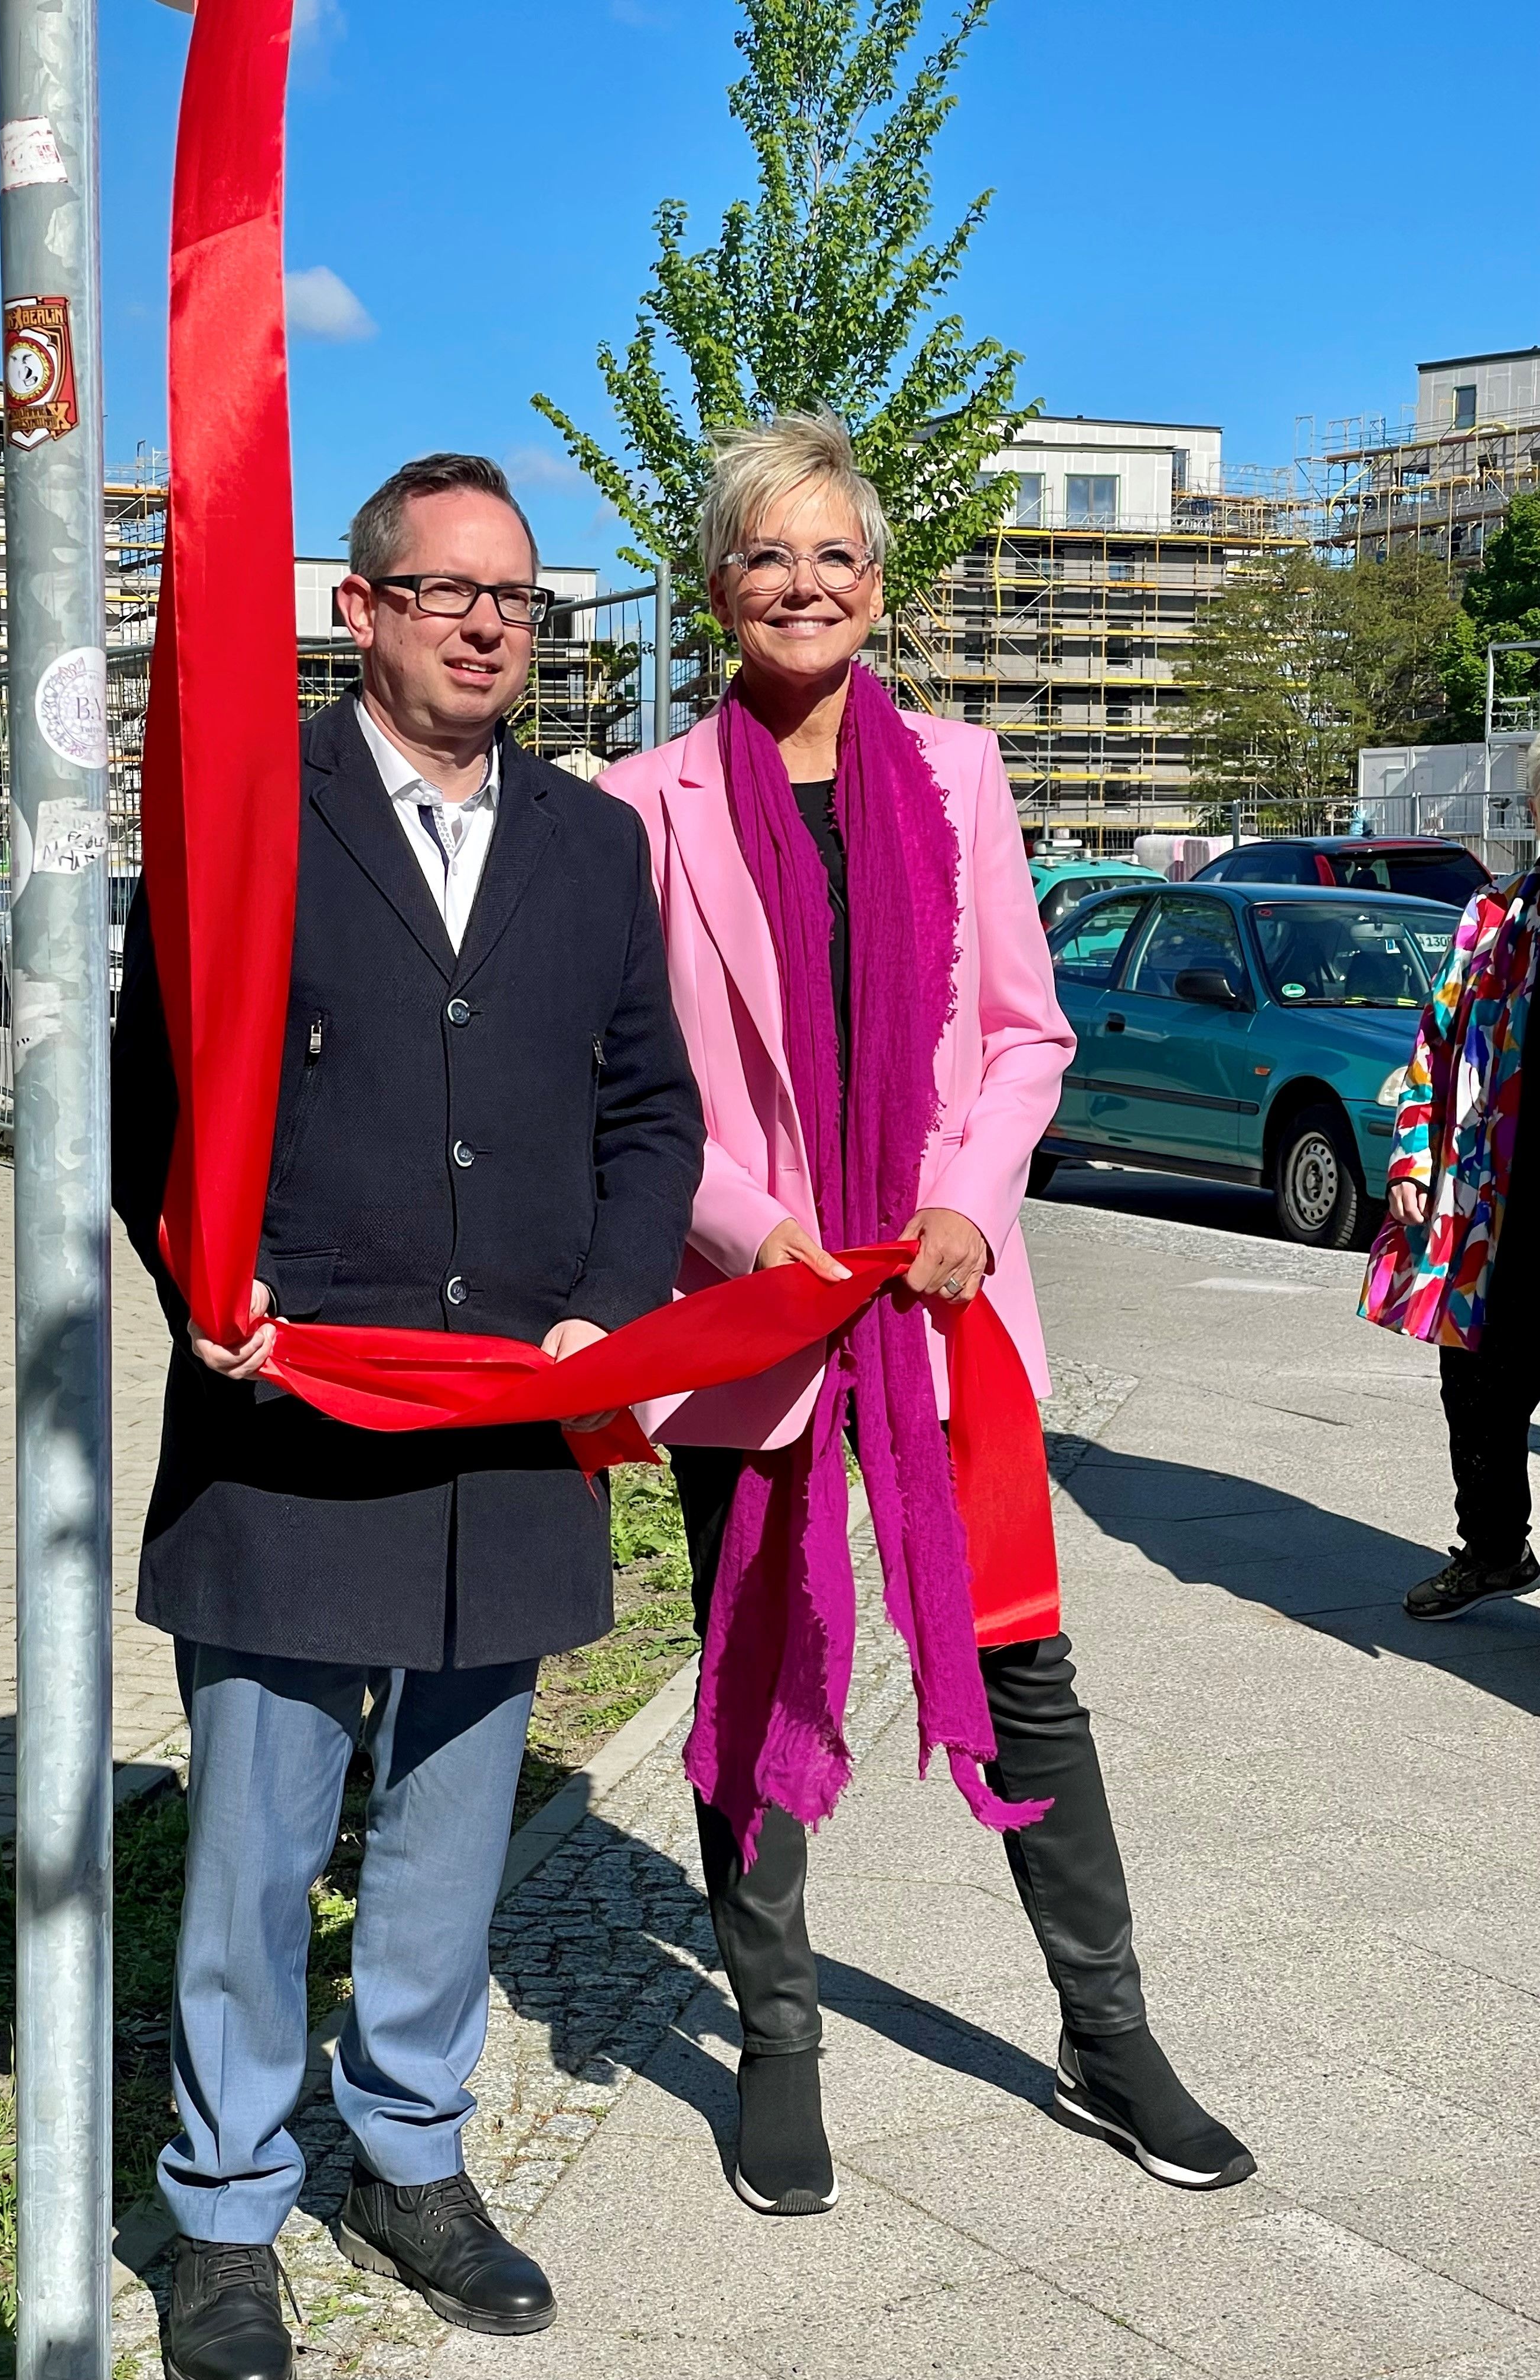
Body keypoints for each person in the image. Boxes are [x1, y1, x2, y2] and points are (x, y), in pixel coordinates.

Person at [602, 410, 1253, 2217]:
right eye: (765, 553)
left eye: (834, 555)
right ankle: (781, 2044)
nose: (802, 584)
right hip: (757, 1316)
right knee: (753, 1665)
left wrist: (964, 1201)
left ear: (878, 587)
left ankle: (1108, 2036)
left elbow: (1029, 1030)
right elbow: (628, 1078)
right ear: (716, 584)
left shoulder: (964, 775)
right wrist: (746, 1235)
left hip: (947, 1312)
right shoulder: (639, 806)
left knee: (1027, 1668)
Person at [113, 452, 704, 2377]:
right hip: (296, 1418)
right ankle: (221, 2206)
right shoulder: (243, 811)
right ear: (353, 608)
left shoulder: (593, 841)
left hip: (506, 1435)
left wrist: (613, 1312)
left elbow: (648, 1113)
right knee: (259, 1843)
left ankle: (409, 2159)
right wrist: (204, 1284)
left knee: (449, 1835)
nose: (487, 626)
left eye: (518, 602)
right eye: (447, 591)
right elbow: (154, 1096)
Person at [1365, 745, 1540, 1620]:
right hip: (1489, 1205)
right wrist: (1413, 1157)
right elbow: (1433, 1047)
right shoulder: (1495, 917)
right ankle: (1495, 1552)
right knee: (1476, 1387)